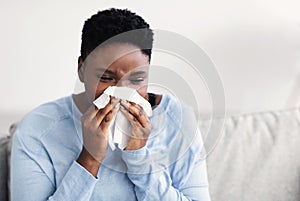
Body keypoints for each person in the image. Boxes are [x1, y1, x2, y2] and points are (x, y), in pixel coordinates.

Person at [10, 8, 211, 201]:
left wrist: (139, 159)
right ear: (81, 69)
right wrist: (90, 158)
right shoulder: (37, 130)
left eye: (137, 79)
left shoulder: (178, 120)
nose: (120, 93)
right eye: (106, 78)